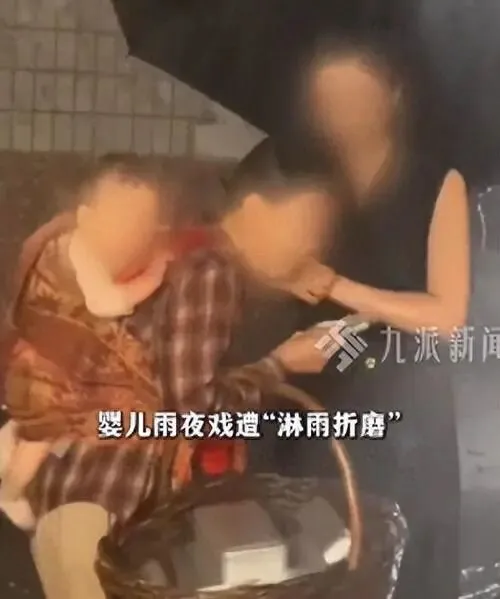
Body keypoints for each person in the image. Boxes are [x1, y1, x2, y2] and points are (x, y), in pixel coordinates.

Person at [18, 147, 341, 599]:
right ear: (255, 209)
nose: (312, 245)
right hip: (101, 505)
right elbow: (191, 410)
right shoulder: (212, 272)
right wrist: (282, 364)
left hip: (78, 498)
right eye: (305, 225)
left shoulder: (189, 252)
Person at [271, 33, 469, 599]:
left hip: (405, 409)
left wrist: (337, 285)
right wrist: (284, 277)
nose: (343, 111)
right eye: (328, 98)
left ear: (393, 96)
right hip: (318, 396)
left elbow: (446, 316)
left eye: (356, 94)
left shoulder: (438, 183)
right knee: (316, 564)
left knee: (397, 565)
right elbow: (274, 278)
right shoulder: (307, 182)